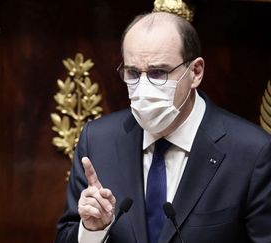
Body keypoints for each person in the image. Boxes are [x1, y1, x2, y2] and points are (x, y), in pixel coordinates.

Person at [55, 11, 271, 243]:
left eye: (159, 73)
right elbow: (67, 236)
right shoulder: (98, 140)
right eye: (133, 73)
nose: (144, 86)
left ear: (196, 72)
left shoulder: (253, 152)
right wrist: (92, 230)